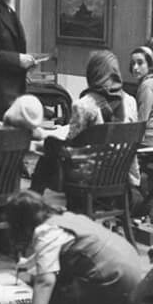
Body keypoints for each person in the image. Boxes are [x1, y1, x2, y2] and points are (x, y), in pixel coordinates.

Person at [5, 190, 145, 304]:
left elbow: (45, 281)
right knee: (56, 275)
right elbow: (54, 246)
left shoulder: (46, 232)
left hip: (116, 281)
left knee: (54, 301)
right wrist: (28, 263)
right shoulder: (65, 218)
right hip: (132, 269)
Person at [30, 50, 141, 196]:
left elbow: (72, 141)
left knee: (50, 144)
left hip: (90, 175)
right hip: (119, 174)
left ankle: (34, 196)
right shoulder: (130, 101)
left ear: (93, 72)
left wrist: (52, 136)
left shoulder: (84, 105)